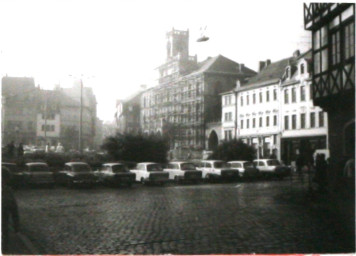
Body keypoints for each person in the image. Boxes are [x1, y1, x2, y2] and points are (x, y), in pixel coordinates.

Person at [2, 167, 20, 253]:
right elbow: (14, 210)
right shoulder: (8, 191)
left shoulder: (8, 191)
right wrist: (16, 226)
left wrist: (16, 226)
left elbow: (14, 209)